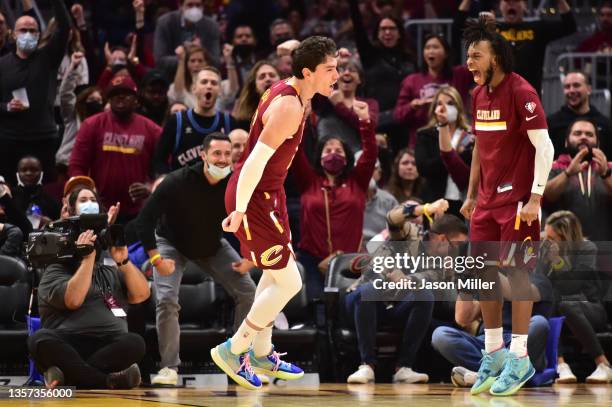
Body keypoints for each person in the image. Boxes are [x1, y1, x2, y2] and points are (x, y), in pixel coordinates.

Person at [210, 36, 339, 390]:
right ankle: (234, 349)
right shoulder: (290, 108)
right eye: (330, 70)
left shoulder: (295, 92)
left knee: (274, 275)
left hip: (269, 193)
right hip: (253, 198)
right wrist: (239, 210)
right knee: (291, 280)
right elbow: (253, 161)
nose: (337, 76)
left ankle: (264, 352)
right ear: (309, 72)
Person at [459, 17, 554, 396]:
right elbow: (481, 149)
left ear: (495, 57)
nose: (469, 62)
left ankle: (519, 357)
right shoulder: (478, 95)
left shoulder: (522, 92)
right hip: (485, 203)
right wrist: (470, 195)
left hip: (518, 202)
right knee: (483, 277)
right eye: (467, 55)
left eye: (475, 56)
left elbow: (545, 148)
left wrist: (535, 197)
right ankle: (493, 352)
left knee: (516, 276)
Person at [136, 133, 256, 386]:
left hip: (211, 246)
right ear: (203, 155)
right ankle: (169, 367)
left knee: (248, 291)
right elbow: (144, 221)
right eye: (217, 154)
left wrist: (252, 256)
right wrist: (156, 258)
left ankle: (238, 361)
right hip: (171, 244)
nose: (223, 159)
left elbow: (253, 219)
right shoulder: (176, 181)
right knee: (167, 300)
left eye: (227, 154)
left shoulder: (236, 183)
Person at [27, 187, 150, 389]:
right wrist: (87, 258)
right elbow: (73, 300)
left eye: (93, 199)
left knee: (136, 342)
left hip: (108, 345)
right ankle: (107, 380)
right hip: (67, 344)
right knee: (39, 340)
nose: (89, 202)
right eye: (83, 199)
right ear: (69, 212)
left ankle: (70, 375)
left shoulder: (110, 271)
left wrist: (124, 261)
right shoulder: (56, 268)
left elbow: (141, 295)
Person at [293, 100, 377, 300]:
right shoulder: (308, 181)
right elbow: (295, 153)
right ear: (319, 158)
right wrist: (301, 121)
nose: (333, 154)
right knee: (316, 305)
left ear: (347, 159)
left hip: (349, 261)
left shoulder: (357, 182)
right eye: (328, 150)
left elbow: (370, 154)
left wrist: (365, 121)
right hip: (311, 260)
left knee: (347, 309)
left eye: (338, 151)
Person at [431, 270, 552, 388]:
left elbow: (520, 294)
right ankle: (498, 374)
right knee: (440, 335)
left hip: (520, 342)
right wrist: (466, 279)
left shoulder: (539, 278)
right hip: (488, 343)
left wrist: (487, 269)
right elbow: (462, 318)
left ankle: (487, 374)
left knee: (539, 323)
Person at [69, 76, 162, 223]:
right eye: (114, 93)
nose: (120, 97)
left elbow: (165, 167)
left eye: (126, 93)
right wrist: (87, 196)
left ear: (136, 100)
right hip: (99, 210)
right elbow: (76, 166)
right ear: (109, 100)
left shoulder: (152, 129)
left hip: (139, 211)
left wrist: (151, 187)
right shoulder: (92, 125)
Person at [0, 0, 70, 185]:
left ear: (39, 35)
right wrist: (6, 106)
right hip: (9, 139)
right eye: (23, 30)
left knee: (44, 192)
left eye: (32, 31)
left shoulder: (48, 58)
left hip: (43, 138)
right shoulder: (2, 65)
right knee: (9, 192)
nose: (28, 34)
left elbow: (64, 27)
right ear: (13, 35)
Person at [540, 211, 612, 384]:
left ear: (566, 237)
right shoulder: (546, 251)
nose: (547, 242)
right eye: (545, 236)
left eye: (552, 238)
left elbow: (571, 286)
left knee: (564, 303)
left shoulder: (587, 249)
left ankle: (603, 364)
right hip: (559, 307)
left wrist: (557, 261)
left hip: (591, 309)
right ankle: (561, 365)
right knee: (550, 301)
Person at [454, 0, 576, 94]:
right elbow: (458, 27)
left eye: (516, 1)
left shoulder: (537, 28)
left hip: (529, 96)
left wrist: (560, 1)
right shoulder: (490, 29)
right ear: (500, 6)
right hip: (498, 95)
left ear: (525, 6)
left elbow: (570, 26)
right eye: (507, 1)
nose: (511, 4)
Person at [347, 0, 415, 154]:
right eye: (383, 29)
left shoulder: (409, 58)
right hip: (379, 122)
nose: (388, 33)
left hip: (405, 122)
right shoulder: (369, 55)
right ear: (377, 34)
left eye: (392, 29)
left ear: (399, 33)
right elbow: (358, 27)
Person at [394, 34, 473, 149]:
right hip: (421, 143)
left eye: (435, 47)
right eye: (427, 47)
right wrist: (413, 106)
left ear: (446, 53)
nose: (431, 51)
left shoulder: (459, 75)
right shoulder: (411, 80)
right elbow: (398, 116)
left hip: (456, 142)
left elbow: (481, 66)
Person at [154, 66, 235, 174]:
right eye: (204, 82)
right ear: (193, 88)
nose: (209, 86)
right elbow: (159, 160)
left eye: (214, 83)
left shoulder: (229, 122)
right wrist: (163, 179)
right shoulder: (177, 121)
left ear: (220, 90)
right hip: (183, 188)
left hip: (218, 188)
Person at [544, 119, 612, 243]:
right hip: (563, 250)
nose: (583, 137)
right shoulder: (553, 167)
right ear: (566, 142)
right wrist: (568, 173)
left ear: (598, 143)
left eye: (589, 134)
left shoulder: (609, 168)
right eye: (577, 133)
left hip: (606, 247)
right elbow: (547, 196)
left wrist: (606, 174)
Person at [415, 86, 474, 217]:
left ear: (459, 107)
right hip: (435, 201)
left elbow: (473, 171)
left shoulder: (470, 135)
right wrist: (454, 156)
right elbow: (423, 168)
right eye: (440, 104)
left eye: (450, 103)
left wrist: (454, 156)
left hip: (464, 203)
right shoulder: (425, 134)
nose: (445, 107)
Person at [316, 58, 380, 153]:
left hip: (358, 156)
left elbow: (370, 127)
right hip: (327, 156)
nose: (346, 73)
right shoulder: (324, 99)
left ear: (360, 79)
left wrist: (339, 105)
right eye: (342, 70)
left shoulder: (369, 103)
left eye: (352, 70)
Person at [546, 71, 612, 159]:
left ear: (589, 89)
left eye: (576, 85)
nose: (571, 90)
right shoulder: (552, 122)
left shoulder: (605, 123)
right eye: (567, 87)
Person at [56, 52, 105, 167]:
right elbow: (65, 93)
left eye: (98, 100)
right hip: (67, 163)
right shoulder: (73, 115)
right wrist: (73, 68)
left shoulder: (105, 121)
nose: (95, 103)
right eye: (92, 99)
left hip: (91, 165)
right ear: (84, 100)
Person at [153, 0, 220, 77]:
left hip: (202, 77)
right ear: (180, 6)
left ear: (203, 7)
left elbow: (216, 62)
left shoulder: (211, 26)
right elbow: (160, 61)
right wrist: (186, 56)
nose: (194, 9)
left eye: (198, 5)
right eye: (190, 5)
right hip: (171, 76)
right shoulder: (165, 22)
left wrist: (201, 50)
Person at [12, 156, 61, 229]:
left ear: (41, 173)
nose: (28, 173)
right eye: (24, 170)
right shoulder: (10, 198)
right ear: (17, 173)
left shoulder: (51, 200)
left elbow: (59, 227)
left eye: (34, 170)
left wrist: (50, 224)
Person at [232, 61, 280, 130]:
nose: (268, 79)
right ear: (254, 86)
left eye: (272, 75)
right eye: (262, 77)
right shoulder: (244, 121)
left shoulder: (296, 107)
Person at [167, 44, 213, 109]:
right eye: (192, 61)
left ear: (206, 64)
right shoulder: (178, 87)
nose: (196, 64)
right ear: (186, 64)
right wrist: (181, 61)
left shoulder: (213, 86)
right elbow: (177, 95)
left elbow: (231, 94)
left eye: (200, 61)